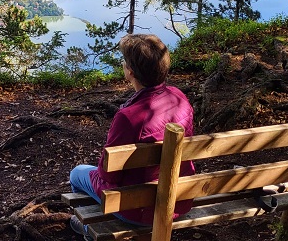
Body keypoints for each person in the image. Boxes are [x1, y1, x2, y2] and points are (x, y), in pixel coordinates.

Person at [69, 33, 194, 239]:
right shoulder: (179, 98)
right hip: (180, 199)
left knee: (77, 173)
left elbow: (109, 175)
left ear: (130, 72)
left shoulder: (128, 117)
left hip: (139, 210)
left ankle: (89, 229)